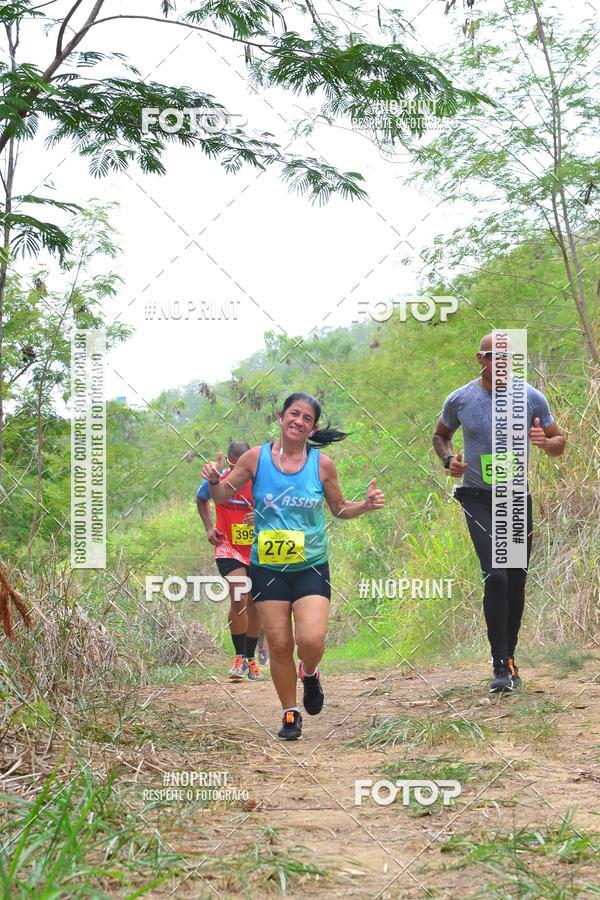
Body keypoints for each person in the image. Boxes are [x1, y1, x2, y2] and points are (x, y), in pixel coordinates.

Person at [201, 391, 385, 740]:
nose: (299, 421)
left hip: (310, 566)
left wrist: (365, 505)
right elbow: (223, 495)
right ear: (280, 417)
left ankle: (311, 673)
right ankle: (289, 712)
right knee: (280, 643)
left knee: (311, 638)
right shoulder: (255, 459)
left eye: (307, 419)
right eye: (294, 414)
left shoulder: (322, 465)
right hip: (268, 568)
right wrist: (213, 480)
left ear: (313, 428)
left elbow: (340, 509)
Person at [432, 334, 566, 692]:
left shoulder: (531, 397)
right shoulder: (460, 399)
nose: (503, 363)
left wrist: (546, 443)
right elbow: (440, 435)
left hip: (515, 498)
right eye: (495, 356)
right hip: (476, 496)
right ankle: (499, 664)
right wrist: (449, 460)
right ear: (481, 358)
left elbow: (559, 442)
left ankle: (509, 657)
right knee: (496, 574)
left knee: (516, 578)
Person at [197, 440, 264, 682]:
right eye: (236, 466)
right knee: (239, 597)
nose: (241, 473)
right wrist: (209, 528)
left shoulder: (262, 480)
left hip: (258, 548)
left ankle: (251, 658)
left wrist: (260, 515)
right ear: (229, 462)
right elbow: (201, 498)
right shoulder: (220, 478)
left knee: (256, 604)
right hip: (228, 547)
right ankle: (238, 658)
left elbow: (280, 508)